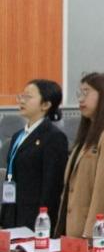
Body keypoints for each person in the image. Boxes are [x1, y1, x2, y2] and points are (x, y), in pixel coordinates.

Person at [55, 73, 104, 245]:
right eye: (79, 93)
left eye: (86, 92)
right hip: (74, 230)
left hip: (96, 237)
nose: (81, 99)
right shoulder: (87, 135)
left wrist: (92, 232)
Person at [0, 80, 68, 231]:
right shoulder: (18, 136)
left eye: (28, 97)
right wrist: (5, 217)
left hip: (35, 219)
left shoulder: (54, 137)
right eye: (21, 96)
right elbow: (11, 177)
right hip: (13, 214)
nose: (22, 100)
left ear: (45, 105)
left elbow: (52, 187)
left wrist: (43, 223)